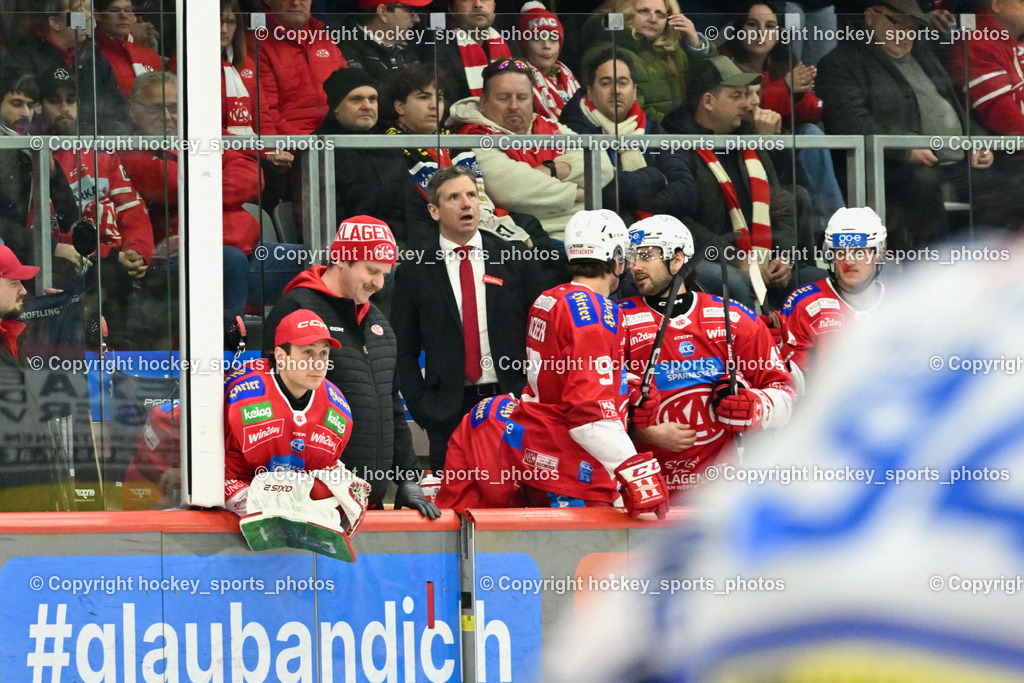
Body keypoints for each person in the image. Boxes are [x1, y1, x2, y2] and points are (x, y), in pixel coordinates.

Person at [262, 215, 441, 519]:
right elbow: (273, 402)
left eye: (385, 273)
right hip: (313, 504)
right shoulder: (297, 309)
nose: (379, 283)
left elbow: (390, 405)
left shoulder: (378, 322)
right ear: (341, 259)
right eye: (371, 270)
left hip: (366, 502)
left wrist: (408, 478)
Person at [498, 209, 669, 515]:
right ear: (616, 257)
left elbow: (565, 370)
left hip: (536, 454)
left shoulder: (550, 297)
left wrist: (624, 385)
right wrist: (635, 472)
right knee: (580, 561)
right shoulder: (593, 314)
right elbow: (589, 414)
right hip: (571, 466)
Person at [817, 1, 1024, 249]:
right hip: (888, 166)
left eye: (912, 27)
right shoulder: (841, 62)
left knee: (1009, 186)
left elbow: (956, 110)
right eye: (898, 24)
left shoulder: (923, 55)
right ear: (871, 17)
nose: (906, 34)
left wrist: (977, 143)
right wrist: (905, 150)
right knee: (923, 183)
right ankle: (933, 271)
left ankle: (993, 270)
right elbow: (850, 122)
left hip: (953, 162)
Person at [620, 215, 795, 492]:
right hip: (643, 494)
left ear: (677, 259)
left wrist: (753, 406)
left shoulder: (734, 318)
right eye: (631, 257)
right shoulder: (617, 319)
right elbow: (590, 410)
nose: (634, 266)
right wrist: (638, 429)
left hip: (721, 498)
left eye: (645, 256)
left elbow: (786, 397)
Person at [391, 165, 546, 471]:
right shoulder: (415, 270)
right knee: (452, 507)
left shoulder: (514, 259)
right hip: (447, 411)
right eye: (454, 198)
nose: (466, 204)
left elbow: (541, 334)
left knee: (512, 503)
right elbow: (403, 349)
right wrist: (424, 408)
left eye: (471, 195)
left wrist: (532, 397)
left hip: (511, 404)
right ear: (434, 211)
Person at [224, 308, 372, 561]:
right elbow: (218, 475)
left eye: (323, 353)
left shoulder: (338, 410)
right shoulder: (242, 395)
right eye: (307, 353)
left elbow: (326, 469)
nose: (317, 363)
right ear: (281, 356)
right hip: (224, 529)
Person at [661, 56, 798, 311]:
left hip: (761, 259)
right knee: (734, 281)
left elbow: (780, 206)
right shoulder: (676, 145)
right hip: (709, 259)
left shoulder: (748, 141)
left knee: (812, 279)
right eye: (737, 96)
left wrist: (783, 257)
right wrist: (737, 260)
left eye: (747, 95)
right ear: (708, 102)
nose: (748, 104)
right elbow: (681, 221)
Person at [380, 63, 550, 248]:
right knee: (518, 251)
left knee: (539, 236)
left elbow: (479, 196)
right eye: (423, 97)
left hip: (479, 218)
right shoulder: (389, 147)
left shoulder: (454, 140)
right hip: (435, 231)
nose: (433, 106)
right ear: (400, 107)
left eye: (439, 98)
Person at [449, 58, 614, 242]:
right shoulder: (473, 136)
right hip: (535, 238)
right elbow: (511, 192)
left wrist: (553, 169)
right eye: (503, 98)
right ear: (484, 101)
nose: (513, 106)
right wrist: (581, 193)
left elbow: (602, 167)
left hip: (589, 232)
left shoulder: (550, 127)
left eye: (522, 98)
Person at [38, 67, 154, 282]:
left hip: (116, 258)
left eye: (71, 100)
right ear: (39, 107)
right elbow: (53, 230)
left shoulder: (100, 151)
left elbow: (131, 207)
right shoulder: (38, 157)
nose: (64, 108)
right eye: (55, 100)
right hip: (75, 263)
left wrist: (138, 252)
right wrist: (110, 256)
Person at [559, 48, 696, 224]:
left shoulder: (651, 128)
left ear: (634, 90)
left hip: (661, 225)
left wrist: (630, 192)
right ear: (590, 92)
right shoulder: (573, 129)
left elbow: (687, 193)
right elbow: (603, 190)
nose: (616, 90)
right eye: (606, 83)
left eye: (623, 83)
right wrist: (656, 178)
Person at [313, 67, 436, 251]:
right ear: (336, 107)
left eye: (372, 99)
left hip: (400, 253)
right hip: (354, 258)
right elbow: (324, 227)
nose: (367, 106)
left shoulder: (388, 146)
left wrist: (421, 252)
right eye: (356, 99)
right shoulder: (318, 151)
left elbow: (415, 212)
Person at [781, 207, 886, 386]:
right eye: (841, 252)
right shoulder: (805, 303)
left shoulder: (902, 302)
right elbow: (791, 389)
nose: (849, 261)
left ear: (878, 253)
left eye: (859, 251)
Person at [0, 70, 81, 291]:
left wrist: (52, 172)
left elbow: (70, 218)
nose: (26, 113)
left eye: (30, 105)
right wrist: (51, 247)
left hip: (24, 252)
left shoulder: (31, 146)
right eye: (17, 104)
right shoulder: (7, 148)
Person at [6, 0, 130, 134]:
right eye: (78, 10)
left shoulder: (93, 55)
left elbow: (118, 109)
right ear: (55, 23)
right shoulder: (24, 61)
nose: (88, 15)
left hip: (96, 150)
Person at [581, 0, 715, 122]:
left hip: (675, 135)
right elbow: (631, 111)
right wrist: (678, 130)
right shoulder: (608, 51)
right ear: (623, 15)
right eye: (643, 11)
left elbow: (710, 86)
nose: (653, 19)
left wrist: (696, 45)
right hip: (642, 138)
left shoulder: (671, 49)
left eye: (660, 14)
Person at [248, 0, 347, 136]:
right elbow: (265, 113)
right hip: (291, 147)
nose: (295, 2)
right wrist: (307, 145)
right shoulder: (256, 43)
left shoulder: (325, 40)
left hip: (335, 143)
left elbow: (349, 97)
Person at [949, 0, 1024, 136]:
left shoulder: (1014, 42)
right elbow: (1004, 118)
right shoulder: (975, 45)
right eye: (1022, 2)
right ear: (997, 4)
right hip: (1004, 153)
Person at [433, 0, 516, 104]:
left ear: (494, 6)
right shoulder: (437, 47)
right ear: (451, 8)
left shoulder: (509, 42)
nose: (478, 4)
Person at [339, 0, 430, 87]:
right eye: (411, 11)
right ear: (383, 12)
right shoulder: (347, 51)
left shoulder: (408, 49)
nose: (417, 19)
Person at [517, 1, 580, 120]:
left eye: (553, 38)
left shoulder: (566, 75)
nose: (546, 45)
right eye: (537, 39)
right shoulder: (517, 81)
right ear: (524, 44)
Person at [93, 0, 163, 98]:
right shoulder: (90, 54)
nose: (124, 16)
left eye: (128, 10)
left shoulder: (150, 55)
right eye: (114, 11)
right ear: (97, 15)